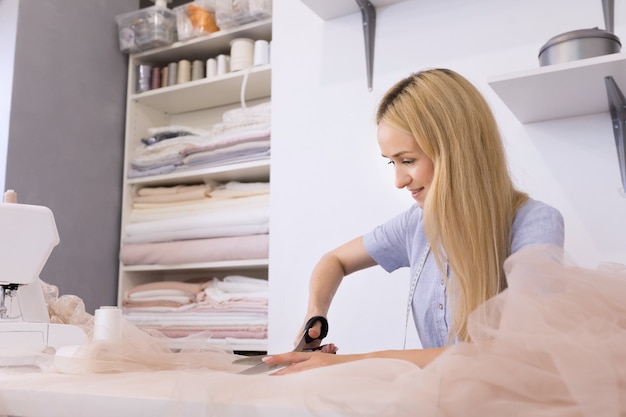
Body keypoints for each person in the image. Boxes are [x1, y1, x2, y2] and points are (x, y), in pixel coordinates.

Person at [263, 68, 565, 375]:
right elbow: (334, 260)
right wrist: (316, 314)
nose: (398, 180)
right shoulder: (417, 224)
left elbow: (513, 353)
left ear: (455, 150)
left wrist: (351, 362)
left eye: (407, 160)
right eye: (391, 162)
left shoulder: (535, 224)